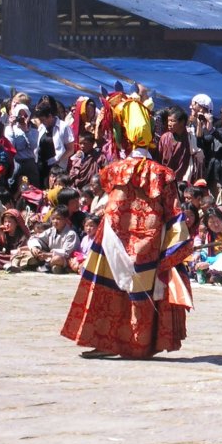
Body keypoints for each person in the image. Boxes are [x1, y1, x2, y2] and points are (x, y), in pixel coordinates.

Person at [61, 93, 193, 358]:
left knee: (107, 288)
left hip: (114, 235)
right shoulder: (163, 175)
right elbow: (173, 214)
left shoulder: (113, 170)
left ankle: (106, 341)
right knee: (143, 289)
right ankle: (141, 342)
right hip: (149, 241)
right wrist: (173, 249)